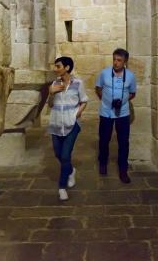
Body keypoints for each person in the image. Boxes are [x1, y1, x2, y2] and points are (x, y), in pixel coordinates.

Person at [48, 56, 88, 201]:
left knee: (65, 156)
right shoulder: (54, 84)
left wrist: (76, 114)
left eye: (58, 66)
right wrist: (51, 93)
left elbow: (84, 101)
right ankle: (71, 170)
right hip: (56, 124)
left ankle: (62, 187)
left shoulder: (78, 83)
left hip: (72, 125)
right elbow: (50, 104)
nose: (55, 69)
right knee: (58, 154)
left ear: (67, 68)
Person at [95, 48, 137, 183]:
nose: (116, 63)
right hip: (106, 112)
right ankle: (103, 163)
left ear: (125, 61)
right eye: (114, 59)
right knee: (104, 139)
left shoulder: (130, 76)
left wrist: (122, 101)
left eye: (119, 60)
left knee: (123, 142)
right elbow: (98, 88)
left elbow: (132, 93)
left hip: (123, 113)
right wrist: (106, 100)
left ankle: (123, 170)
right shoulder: (104, 73)